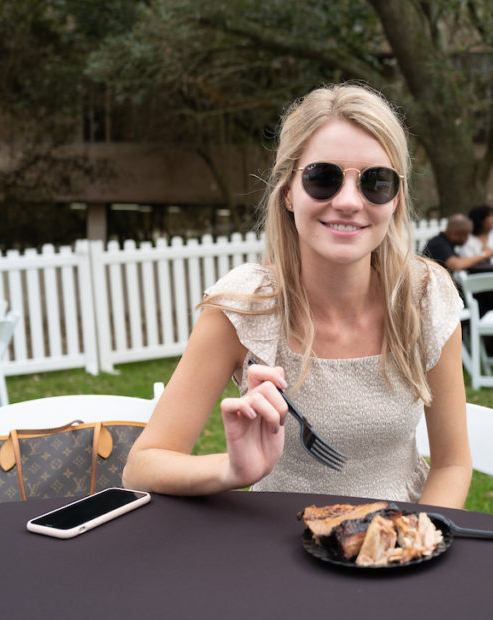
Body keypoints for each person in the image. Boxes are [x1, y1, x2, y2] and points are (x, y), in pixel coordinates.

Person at [123, 83, 472, 508]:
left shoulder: (424, 298)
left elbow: (452, 464)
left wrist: (416, 539)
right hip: (276, 552)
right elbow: (143, 465)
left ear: (396, 198)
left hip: (396, 548)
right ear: (288, 191)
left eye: (375, 182)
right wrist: (232, 471)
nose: (348, 202)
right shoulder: (244, 308)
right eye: (323, 178)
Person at [422, 213, 493, 272]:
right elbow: (456, 265)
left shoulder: (447, 243)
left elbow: (462, 260)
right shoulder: (438, 244)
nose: (467, 239)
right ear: (454, 234)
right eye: (466, 235)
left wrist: (486, 256)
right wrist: (483, 254)